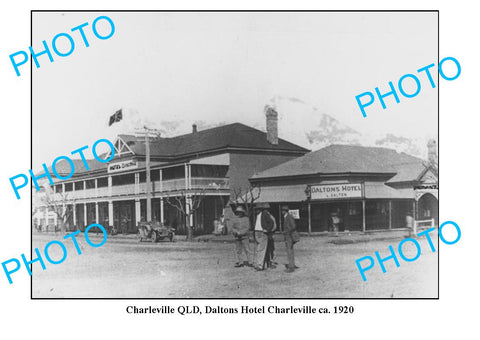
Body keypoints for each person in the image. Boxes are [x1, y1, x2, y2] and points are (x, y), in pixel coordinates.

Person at [253, 202, 274, 271]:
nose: (256, 211)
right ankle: (257, 263)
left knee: (261, 249)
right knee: (257, 249)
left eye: (258, 209)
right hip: (256, 232)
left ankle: (260, 265)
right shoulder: (256, 215)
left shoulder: (264, 214)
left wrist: (267, 230)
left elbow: (271, 222)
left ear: (260, 209)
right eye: (256, 209)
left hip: (262, 232)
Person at [283, 206, 299, 273]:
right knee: (291, 250)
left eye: (283, 210)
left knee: (289, 251)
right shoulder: (287, 217)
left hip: (289, 235)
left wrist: (288, 231)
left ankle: (291, 267)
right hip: (289, 235)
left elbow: (293, 226)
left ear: (285, 211)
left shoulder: (288, 217)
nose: (282, 212)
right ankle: (292, 264)